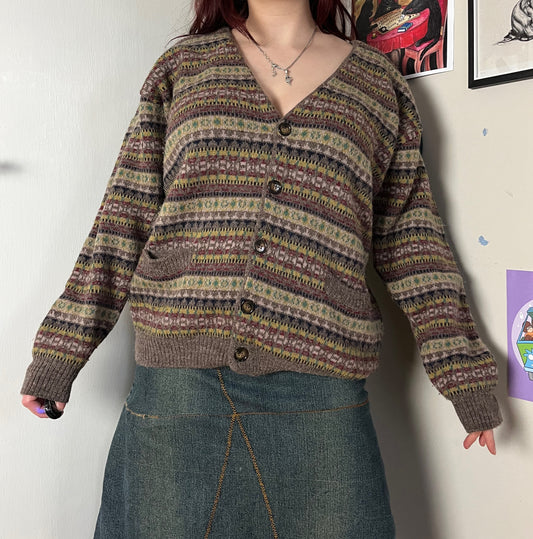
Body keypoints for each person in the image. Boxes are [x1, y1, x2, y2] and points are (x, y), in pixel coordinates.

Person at [21, 0, 502, 537]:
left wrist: (464, 375)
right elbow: (123, 217)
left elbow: (413, 242)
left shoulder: (376, 85)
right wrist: (60, 353)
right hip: (181, 384)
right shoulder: (184, 69)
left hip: (321, 386)